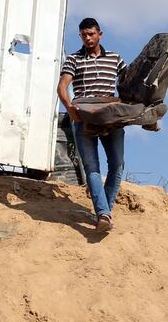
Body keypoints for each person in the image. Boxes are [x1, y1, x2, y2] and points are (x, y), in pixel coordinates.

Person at [56, 17, 126, 233]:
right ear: (80, 36)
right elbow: (63, 86)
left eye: (91, 34)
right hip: (83, 118)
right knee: (92, 168)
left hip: (110, 117)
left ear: (99, 34)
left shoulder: (115, 58)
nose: (88, 38)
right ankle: (103, 214)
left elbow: (128, 82)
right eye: (84, 35)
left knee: (117, 165)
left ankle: (105, 209)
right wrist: (70, 110)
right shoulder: (74, 59)